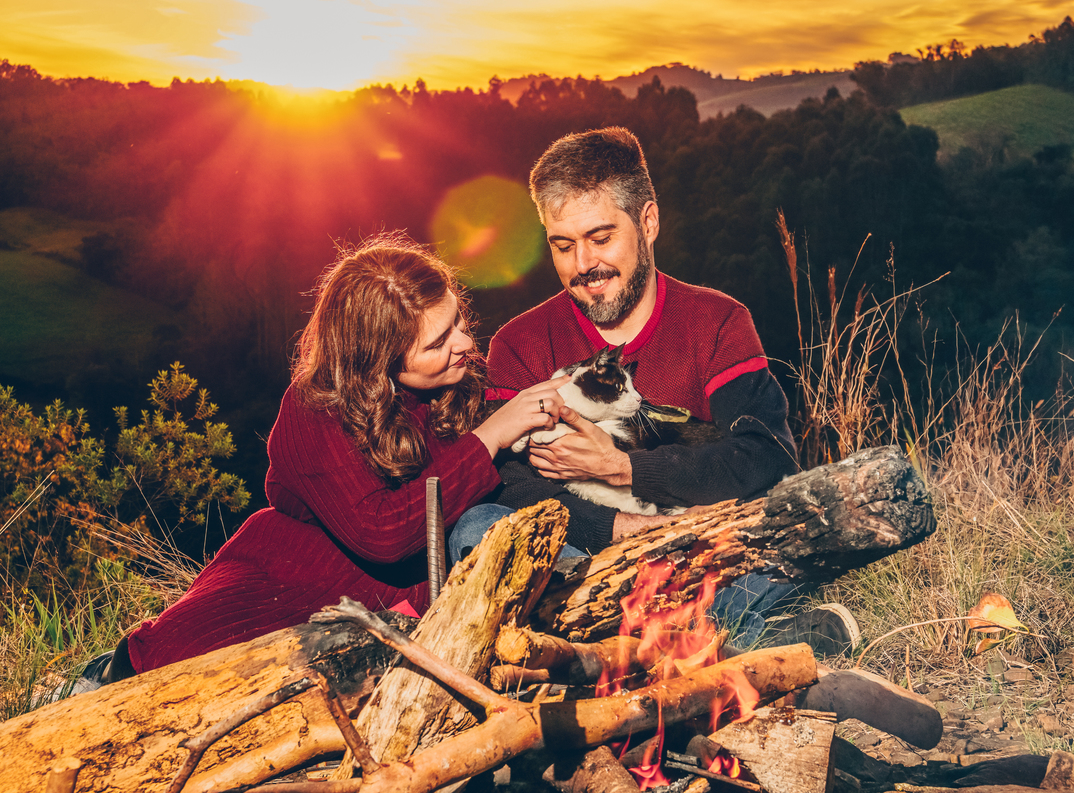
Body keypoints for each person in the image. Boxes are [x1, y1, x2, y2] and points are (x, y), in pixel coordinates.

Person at [95, 234, 569, 683]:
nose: (464, 343)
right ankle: (95, 679)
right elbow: (382, 533)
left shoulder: (450, 384)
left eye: (459, 323)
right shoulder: (314, 411)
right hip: (282, 586)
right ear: (380, 359)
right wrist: (490, 437)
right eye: (438, 343)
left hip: (382, 609)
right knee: (185, 675)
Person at [460, 127, 853, 649]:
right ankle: (728, 638)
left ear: (648, 222)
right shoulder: (519, 343)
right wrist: (620, 528)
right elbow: (510, 487)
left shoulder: (717, 320)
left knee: (790, 529)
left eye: (601, 239)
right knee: (477, 525)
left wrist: (623, 468)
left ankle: (637, 642)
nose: (583, 266)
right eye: (563, 246)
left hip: (696, 550)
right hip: (584, 557)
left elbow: (766, 457)